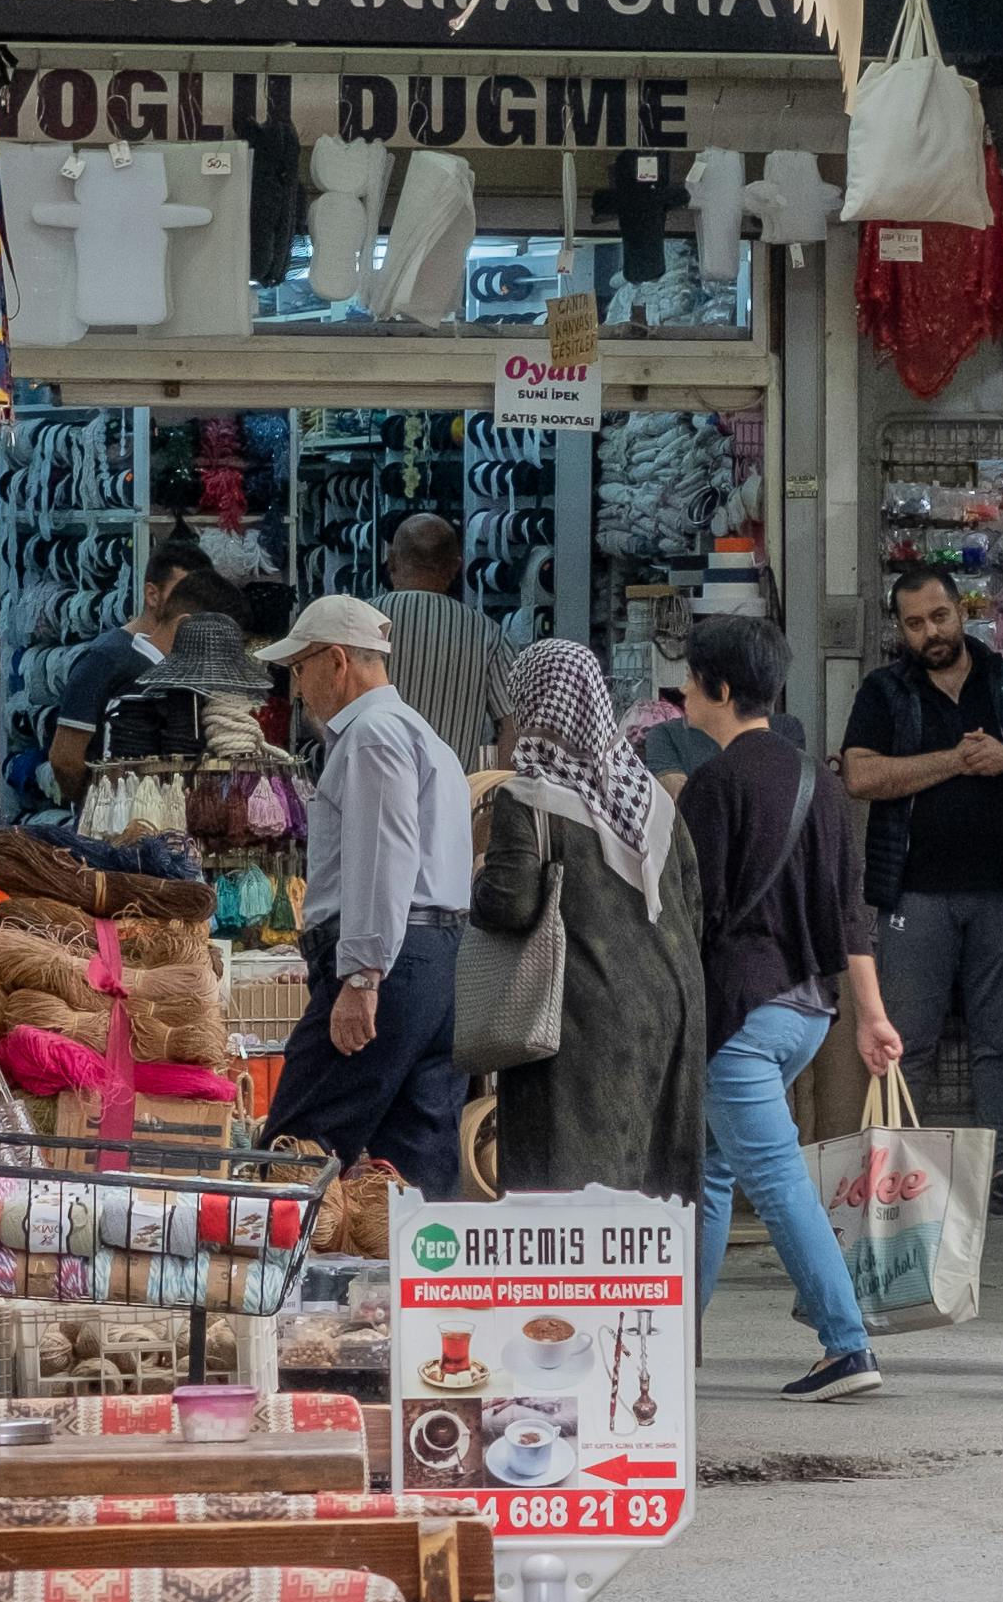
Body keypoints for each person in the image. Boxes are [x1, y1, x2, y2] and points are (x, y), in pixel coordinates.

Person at [677, 614, 896, 1402]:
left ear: (723, 689)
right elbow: (851, 914)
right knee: (710, 1172)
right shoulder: (820, 779)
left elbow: (688, 910)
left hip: (739, 1014)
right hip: (807, 1010)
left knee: (772, 1180)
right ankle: (674, 1346)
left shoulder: (715, 783)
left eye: (693, 679)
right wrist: (871, 1014)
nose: (683, 692)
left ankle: (846, 1343)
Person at [839, 556, 1003, 1215]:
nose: (930, 631)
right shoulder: (884, 692)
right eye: (914, 623)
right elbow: (859, 775)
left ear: (962, 611)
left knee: (1000, 1042)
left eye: (939, 615)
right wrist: (956, 760)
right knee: (905, 1043)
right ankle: (906, 1188)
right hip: (914, 896)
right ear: (900, 628)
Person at [473, 637, 707, 1199]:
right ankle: (664, 1289)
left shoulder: (529, 798)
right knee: (658, 1183)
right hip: (673, 1006)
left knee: (574, 1190)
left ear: (533, 703)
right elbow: (693, 905)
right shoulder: (653, 798)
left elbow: (509, 904)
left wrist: (479, 874)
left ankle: (575, 1292)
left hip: (581, 1018)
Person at [262, 590, 474, 1192]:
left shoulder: (374, 734)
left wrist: (361, 975)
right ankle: (412, 1284)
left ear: (336, 662)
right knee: (414, 1159)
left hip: (392, 963)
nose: (297, 689)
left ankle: (266, 1277)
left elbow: (384, 858)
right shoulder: (419, 733)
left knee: (298, 1144)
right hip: (433, 960)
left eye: (300, 669)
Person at [35, 526, 222, 798]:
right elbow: (65, 758)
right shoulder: (105, 658)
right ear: (152, 595)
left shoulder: (191, 660)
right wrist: (103, 809)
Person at [380, 510, 510, 766]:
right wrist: (493, 792)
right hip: (456, 799)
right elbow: (512, 725)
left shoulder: (362, 622)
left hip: (373, 791)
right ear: (456, 567)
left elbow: (318, 713)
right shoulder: (489, 635)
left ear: (391, 560)